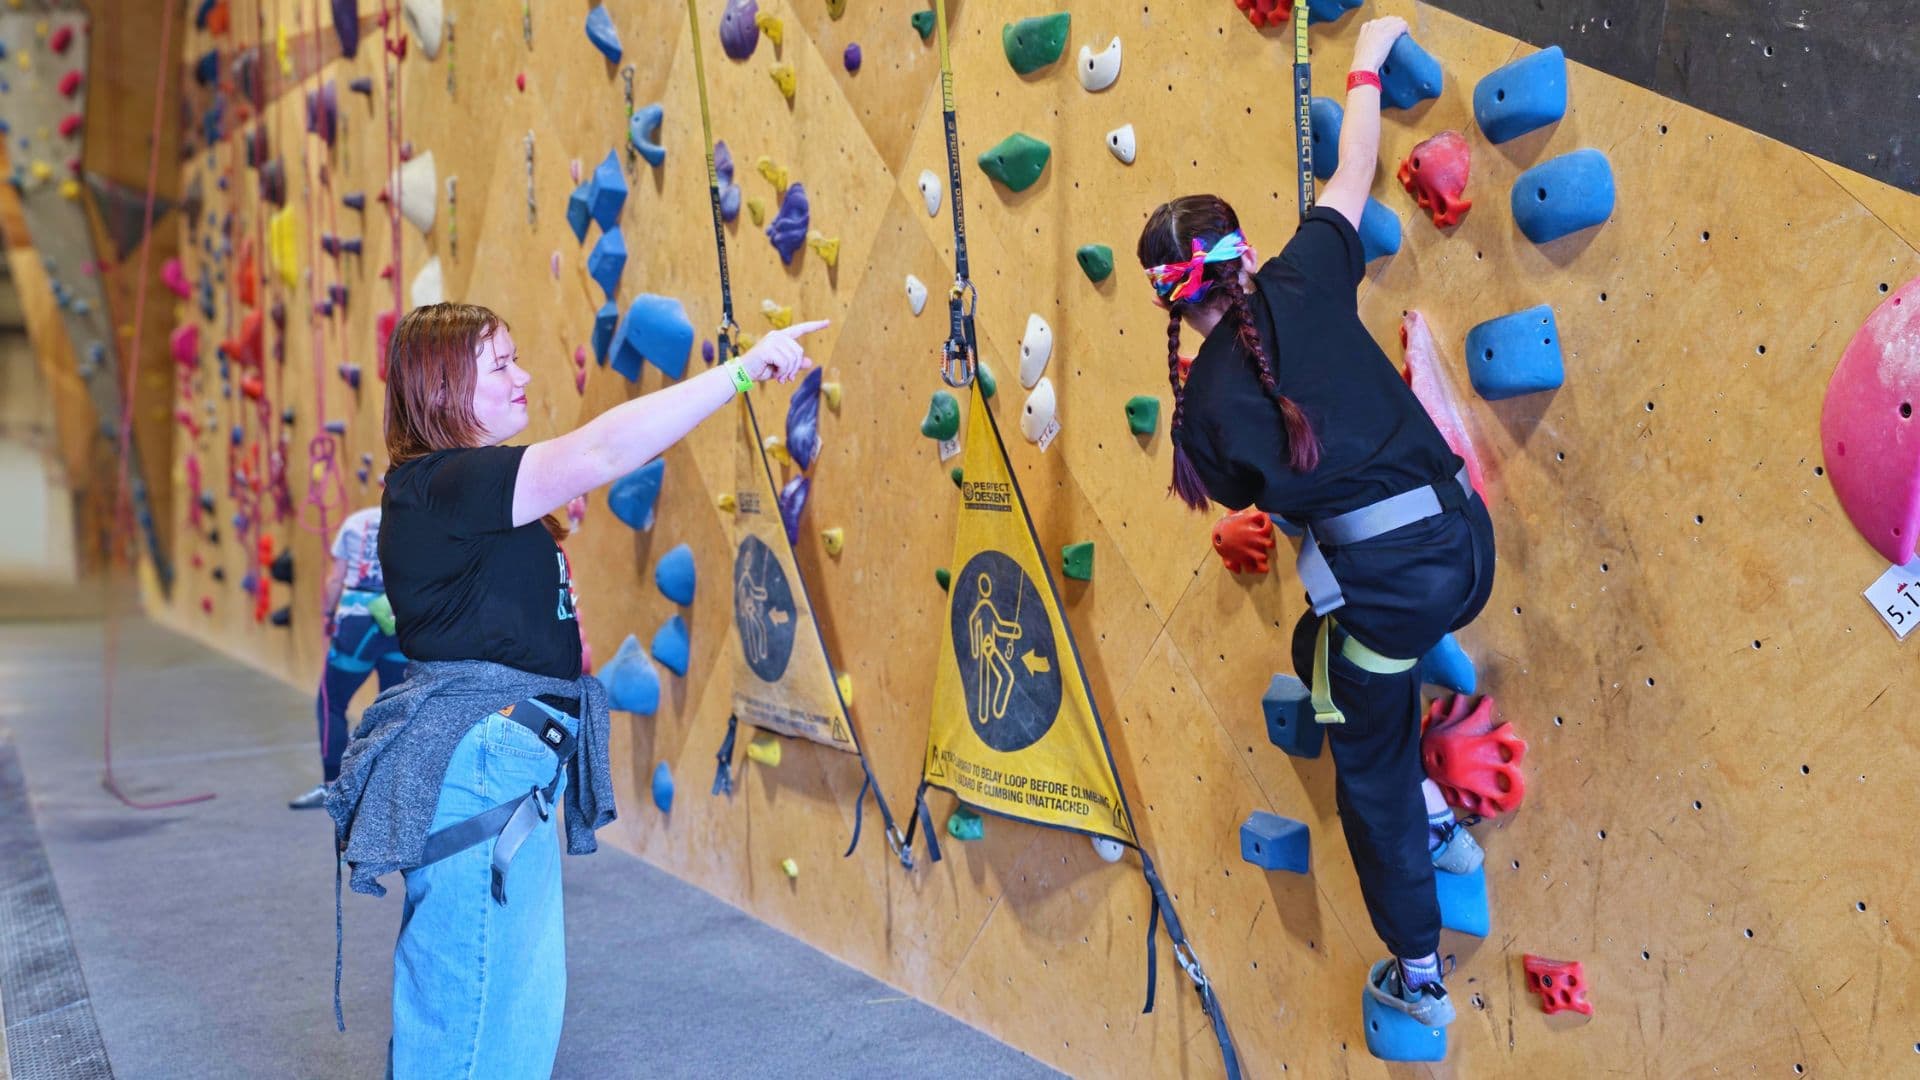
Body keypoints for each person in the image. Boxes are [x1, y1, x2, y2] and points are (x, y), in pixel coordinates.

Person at [327, 302, 819, 1074]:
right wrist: (738, 372)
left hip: (501, 760)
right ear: (445, 388)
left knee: (510, 1010)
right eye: (500, 366)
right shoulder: (438, 482)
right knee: (475, 1008)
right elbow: (596, 453)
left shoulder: (458, 489)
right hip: (480, 761)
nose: (523, 376)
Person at [1135, 16, 1496, 1028]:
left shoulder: (1202, 410)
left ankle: (1420, 968)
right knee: (1317, 645)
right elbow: (1353, 166)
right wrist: (1367, 57)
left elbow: (1266, 497)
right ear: (1242, 249)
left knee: (1367, 767)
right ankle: (1428, 816)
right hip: (1466, 548)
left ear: (1170, 301)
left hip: (1397, 592)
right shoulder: (1306, 270)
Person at [288, 505, 407, 810]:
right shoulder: (413, 516)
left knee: (331, 702)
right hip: (400, 618)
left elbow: (335, 579)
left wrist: (328, 615)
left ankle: (332, 786)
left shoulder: (356, 522)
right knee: (392, 707)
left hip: (359, 620)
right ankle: (387, 786)